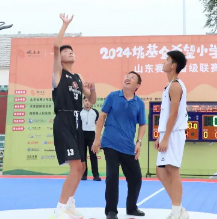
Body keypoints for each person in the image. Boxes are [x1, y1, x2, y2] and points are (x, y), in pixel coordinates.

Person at [51, 14, 97, 219]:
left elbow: (92, 100)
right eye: (66, 51)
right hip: (64, 120)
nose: (70, 52)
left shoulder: (78, 77)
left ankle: (69, 204)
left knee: (82, 166)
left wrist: (92, 90)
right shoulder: (58, 73)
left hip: (77, 121)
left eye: (71, 50)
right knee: (75, 166)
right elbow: (55, 47)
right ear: (60, 57)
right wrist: (65, 25)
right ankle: (59, 208)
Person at [92, 71, 147, 219]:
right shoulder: (113, 96)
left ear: (137, 85)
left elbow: (143, 124)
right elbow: (102, 116)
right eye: (127, 76)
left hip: (128, 146)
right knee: (112, 177)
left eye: (132, 78)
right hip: (110, 143)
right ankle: (111, 211)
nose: (128, 78)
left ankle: (131, 207)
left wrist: (139, 142)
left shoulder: (139, 103)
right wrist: (97, 139)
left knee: (136, 177)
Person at [155, 50, 189, 219]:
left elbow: (174, 113)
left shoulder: (176, 85)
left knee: (172, 171)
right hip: (167, 133)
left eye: (167, 60)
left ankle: (176, 211)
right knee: (160, 172)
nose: (164, 62)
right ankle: (179, 208)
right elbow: (166, 114)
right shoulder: (169, 85)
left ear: (174, 65)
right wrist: (160, 136)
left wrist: (166, 137)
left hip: (174, 134)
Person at [80, 98, 100, 181]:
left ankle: (96, 175)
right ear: (83, 102)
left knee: (93, 155)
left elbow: (98, 125)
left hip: (92, 134)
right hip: (82, 134)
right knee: (83, 156)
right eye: (85, 101)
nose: (87, 103)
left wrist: (98, 137)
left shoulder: (95, 112)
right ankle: (83, 175)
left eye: (89, 101)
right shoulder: (79, 112)